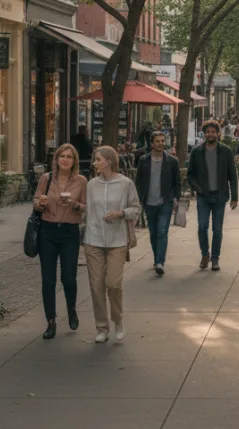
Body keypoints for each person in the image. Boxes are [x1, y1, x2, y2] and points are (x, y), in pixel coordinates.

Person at [83, 146, 141, 343]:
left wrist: (120, 213)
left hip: (117, 240)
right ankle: (102, 327)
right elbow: (87, 211)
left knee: (113, 284)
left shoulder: (125, 184)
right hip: (93, 240)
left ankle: (118, 320)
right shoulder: (91, 184)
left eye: (98, 159)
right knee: (96, 285)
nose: (95, 163)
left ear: (109, 161)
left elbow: (136, 208)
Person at [32, 143, 87, 339]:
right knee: (48, 279)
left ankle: (71, 309)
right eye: (61, 156)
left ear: (74, 161)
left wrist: (73, 204)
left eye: (69, 157)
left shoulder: (81, 181)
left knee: (69, 277)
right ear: (56, 159)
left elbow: (84, 207)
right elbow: (36, 200)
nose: (65, 159)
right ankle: (51, 321)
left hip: (69, 232)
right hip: (47, 231)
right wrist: (40, 204)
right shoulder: (46, 179)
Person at [187, 120, 239, 271]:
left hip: (219, 196)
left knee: (217, 229)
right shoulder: (197, 152)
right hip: (203, 196)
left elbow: (232, 175)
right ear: (204, 134)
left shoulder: (225, 151)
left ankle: (215, 258)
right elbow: (190, 175)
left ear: (218, 133)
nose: (210, 134)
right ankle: (205, 254)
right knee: (202, 226)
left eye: (213, 132)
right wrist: (198, 188)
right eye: (207, 132)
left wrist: (235, 197)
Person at [135, 131, 180, 276]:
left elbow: (177, 182)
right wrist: (139, 199)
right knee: (153, 232)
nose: (160, 144)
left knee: (162, 232)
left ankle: (160, 262)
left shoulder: (172, 161)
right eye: (157, 141)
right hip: (149, 202)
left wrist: (175, 198)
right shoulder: (143, 160)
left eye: (162, 141)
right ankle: (156, 259)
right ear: (152, 143)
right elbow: (139, 181)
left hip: (165, 201)